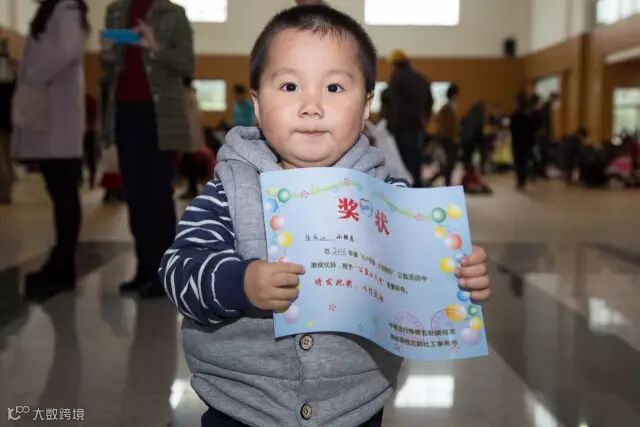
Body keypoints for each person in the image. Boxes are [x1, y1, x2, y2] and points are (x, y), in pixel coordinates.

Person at [159, 6, 492, 427]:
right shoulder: (230, 190)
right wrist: (241, 282)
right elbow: (178, 271)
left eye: (334, 87)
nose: (311, 105)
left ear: (366, 105)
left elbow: (421, 278)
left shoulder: (391, 198)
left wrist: (458, 277)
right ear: (257, 105)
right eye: (290, 86)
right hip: (244, 405)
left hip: (355, 405)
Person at [101, 0, 194, 298]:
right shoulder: (116, 11)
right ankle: (144, 267)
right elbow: (109, 74)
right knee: (134, 195)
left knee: (157, 195)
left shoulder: (173, 13)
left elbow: (187, 64)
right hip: (125, 113)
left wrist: (155, 46)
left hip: (159, 116)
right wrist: (107, 54)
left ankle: (163, 273)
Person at [11, 0, 89, 300]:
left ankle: (63, 267)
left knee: (65, 196)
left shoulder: (66, 8)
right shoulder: (57, 9)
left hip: (59, 123)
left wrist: (34, 74)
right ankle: (60, 263)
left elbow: (68, 50)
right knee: (61, 196)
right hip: (54, 122)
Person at [386, 49, 433, 187]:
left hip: (401, 125)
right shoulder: (421, 78)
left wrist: (390, 124)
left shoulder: (396, 78)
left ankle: (407, 185)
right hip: (418, 125)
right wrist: (426, 118)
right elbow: (430, 101)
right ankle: (417, 183)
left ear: (394, 63)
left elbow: (393, 104)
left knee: (403, 158)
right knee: (416, 155)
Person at [0, 37, 16, 204]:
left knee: (2, 158)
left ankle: (4, 192)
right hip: (9, 121)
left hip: (3, 121)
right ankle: (7, 190)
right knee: (7, 157)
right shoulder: (12, 71)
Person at [510, 90, 535, 190]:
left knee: (519, 162)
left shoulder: (516, 114)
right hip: (527, 142)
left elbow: (512, 127)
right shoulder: (529, 113)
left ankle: (521, 180)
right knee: (524, 161)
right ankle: (523, 179)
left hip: (518, 141)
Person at [437, 83, 460, 186]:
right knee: (449, 162)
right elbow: (447, 126)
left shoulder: (450, 107)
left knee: (450, 162)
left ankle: (447, 182)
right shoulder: (447, 108)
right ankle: (447, 183)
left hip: (449, 137)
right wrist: (454, 137)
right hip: (448, 138)